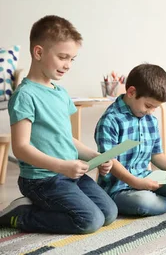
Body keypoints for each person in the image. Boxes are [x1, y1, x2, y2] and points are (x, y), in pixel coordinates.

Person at [0, 15, 117, 234]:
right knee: (89, 221)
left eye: (72, 59)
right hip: (41, 180)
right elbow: (21, 148)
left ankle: (49, 205)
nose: (68, 65)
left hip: (69, 175)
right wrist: (62, 166)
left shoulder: (61, 93)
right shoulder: (25, 96)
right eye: (63, 57)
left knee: (109, 213)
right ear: (38, 52)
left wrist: (94, 157)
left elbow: (67, 139)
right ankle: (22, 215)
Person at [95, 64, 166, 216]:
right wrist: (135, 183)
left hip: (147, 178)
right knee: (144, 202)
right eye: (148, 105)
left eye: (155, 107)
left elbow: (156, 154)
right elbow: (110, 162)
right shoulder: (110, 120)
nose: (151, 111)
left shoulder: (149, 119)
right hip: (119, 188)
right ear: (131, 92)